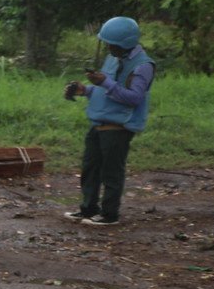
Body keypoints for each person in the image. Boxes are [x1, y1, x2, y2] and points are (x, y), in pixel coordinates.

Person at [62, 16, 153, 227]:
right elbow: (106, 88)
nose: (108, 47)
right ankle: (88, 208)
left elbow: (134, 98)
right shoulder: (113, 59)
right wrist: (85, 90)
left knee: (111, 171)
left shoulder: (142, 66)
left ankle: (110, 214)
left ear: (124, 43)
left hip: (118, 126)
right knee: (90, 168)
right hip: (99, 122)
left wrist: (106, 82)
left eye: (112, 43)